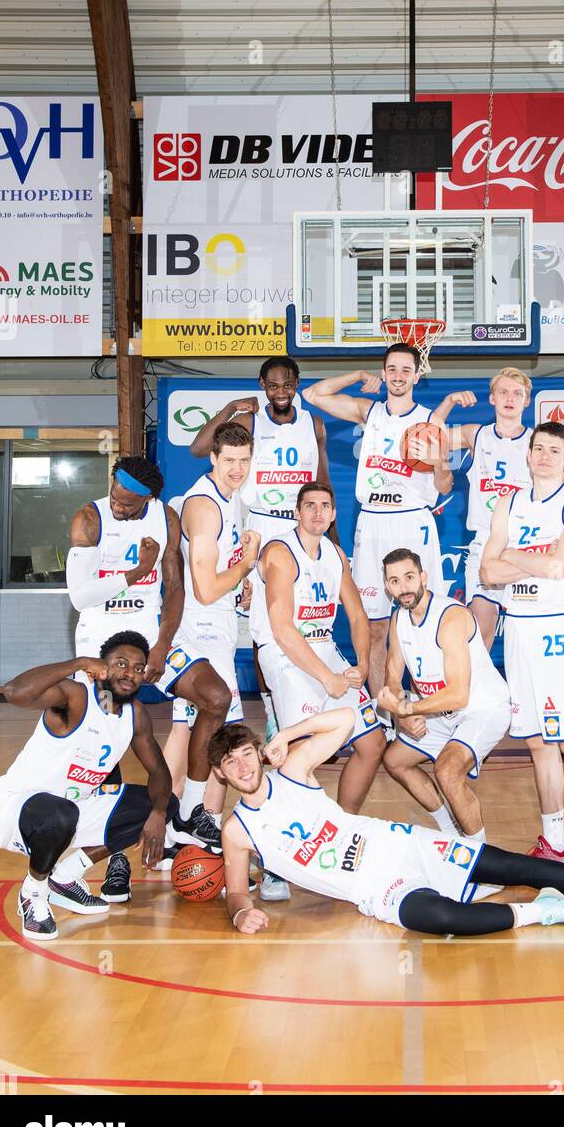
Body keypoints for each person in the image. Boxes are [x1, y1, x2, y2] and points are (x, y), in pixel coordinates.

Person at [212, 715, 564, 938]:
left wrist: (286, 735)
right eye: (230, 763)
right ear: (222, 774)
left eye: (246, 754)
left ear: (257, 752)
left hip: (398, 844)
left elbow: (345, 720)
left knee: (511, 866)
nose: (242, 766)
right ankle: (552, 912)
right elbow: (236, 890)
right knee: (441, 920)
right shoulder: (236, 831)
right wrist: (238, 913)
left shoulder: (292, 771)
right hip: (375, 887)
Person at [0, 633, 176, 940]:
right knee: (62, 812)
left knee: (157, 802)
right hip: (15, 809)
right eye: (121, 663)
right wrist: (78, 663)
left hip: (74, 811)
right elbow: (14, 691)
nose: (130, 673)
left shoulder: (134, 715)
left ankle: (65, 878)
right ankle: (33, 893)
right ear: (100, 666)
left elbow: (159, 772)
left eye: (139, 668)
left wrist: (159, 813)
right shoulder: (75, 696)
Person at [188, 357, 335, 720]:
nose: (280, 392)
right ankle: (272, 712)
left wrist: (332, 535)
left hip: (302, 528)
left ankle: (307, 700)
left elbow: (323, 481)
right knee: (263, 625)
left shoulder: (313, 424)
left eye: (287, 384)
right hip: (263, 525)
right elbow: (198, 448)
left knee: (304, 617)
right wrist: (228, 408)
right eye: (272, 385)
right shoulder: (249, 421)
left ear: (298, 383)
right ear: (262, 385)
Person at [303, 344, 453, 698]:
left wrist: (437, 462)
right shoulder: (368, 412)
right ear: (384, 374)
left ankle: (427, 703)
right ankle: (384, 709)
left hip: (413, 521)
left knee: (423, 619)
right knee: (374, 626)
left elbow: (444, 486)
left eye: (405, 370)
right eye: (391, 369)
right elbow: (312, 393)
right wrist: (356, 376)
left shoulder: (432, 421)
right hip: (373, 521)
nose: (398, 376)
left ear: (418, 375)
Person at [481, 422, 564, 868]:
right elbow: (485, 574)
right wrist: (525, 561)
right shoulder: (507, 503)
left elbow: (559, 566)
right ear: (527, 456)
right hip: (520, 627)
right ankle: (553, 840)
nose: (545, 456)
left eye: (555, 449)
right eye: (538, 449)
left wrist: (510, 555)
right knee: (536, 742)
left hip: (560, 628)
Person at [67, 455, 183, 899]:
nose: (117, 503)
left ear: (148, 500)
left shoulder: (164, 516)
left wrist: (163, 644)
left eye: (128, 501)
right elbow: (80, 595)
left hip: (149, 636)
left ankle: (185, 820)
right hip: (100, 643)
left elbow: (174, 587)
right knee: (109, 746)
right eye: (115, 492)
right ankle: (117, 857)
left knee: (209, 698)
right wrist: (135, 573)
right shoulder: (89, 519)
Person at [252, 480, 385, 815]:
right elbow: (282, 629)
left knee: (373, 743)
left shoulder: (336, 554)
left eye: (325, 506)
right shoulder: (280, 552)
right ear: (296, 512)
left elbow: (357, 615)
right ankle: (288, 844)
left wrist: (364, 667)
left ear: (334, 514)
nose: (317, 512)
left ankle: (344, 824)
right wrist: (328, 678)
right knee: (301, 754)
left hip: (323, 649)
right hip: (284, 655)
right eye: (309, 505)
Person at [162, 422, 261, 851]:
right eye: (230, 461)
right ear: (213, 459)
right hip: (200, 629)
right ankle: (192, 818)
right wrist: (247, 565)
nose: (237, 469)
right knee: (215, 726)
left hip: (214, 622)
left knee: (189, 728)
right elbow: (203, 588)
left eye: (244, 461)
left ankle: (171, 824)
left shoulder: (229, 497)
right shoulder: (205, 507)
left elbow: (214, 576)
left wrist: (239, 585)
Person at [380, 549, 510, 847]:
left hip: (483, 707)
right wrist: (404, 715)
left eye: (410, 577)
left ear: (424, 577)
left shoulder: (450, 617)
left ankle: (482, 861)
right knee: (396, 760)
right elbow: (391, 674)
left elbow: (458, 694)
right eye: (395, 581)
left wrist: (407, 707)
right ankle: (450, 832)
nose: (404, 587)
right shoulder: (399, 619)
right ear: (388, 587)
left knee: (448, 772)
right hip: (440, 711)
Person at [429, 367, 533, 649]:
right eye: (503, 392)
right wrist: (449, 402)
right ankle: (478, 694)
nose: (509, 398)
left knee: (526, 635)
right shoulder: (477, 436)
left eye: (517, 393)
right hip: (486, 542)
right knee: (479, 633)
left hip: (527, 544)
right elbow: (429, 434)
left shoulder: (539, 442)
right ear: (492, 399)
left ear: (526, 401)